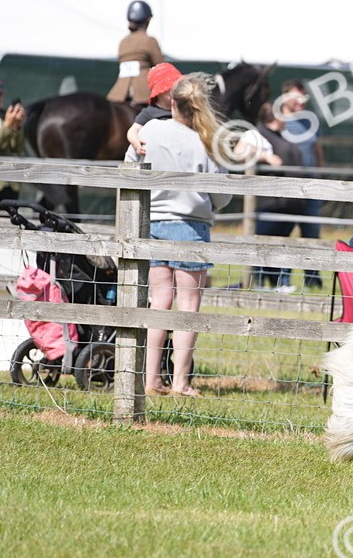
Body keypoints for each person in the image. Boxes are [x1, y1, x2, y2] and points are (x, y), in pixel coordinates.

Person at [125, 73, 230, 397]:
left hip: (153, 224)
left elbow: (130, 165)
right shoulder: (206, 140)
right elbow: (223, 195)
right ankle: (181, 382)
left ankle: (150, 378)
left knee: (160, 302)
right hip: (191, 228)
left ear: (171, 101)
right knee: (188, 306)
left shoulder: (150, 130)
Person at [241, 102, 303, 290]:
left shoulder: (282, 136)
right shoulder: (256, 134)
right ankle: (258, 282)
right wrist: (265, 157)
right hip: (270, 202)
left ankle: (280, 282)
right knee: (263, 242)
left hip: (289, 202)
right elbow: (240, 150)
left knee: (282, 243)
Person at [276, 80, 324, 289]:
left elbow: (318, 151)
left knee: (311, 235)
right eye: (296, 96)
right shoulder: (277, 121)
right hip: (287, 190)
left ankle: (312, 280)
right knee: (284, 234)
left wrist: (321, 179)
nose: (301, 101)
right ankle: (283, 280)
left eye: (304, 97)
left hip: (311, 189)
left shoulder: (311, 122)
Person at [107, 0, 164, 104]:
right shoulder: (149, 40)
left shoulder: (123, 42)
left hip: (120, 91)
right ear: (147, 21)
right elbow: (161, 67)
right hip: (143, 91)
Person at [126, 62, 183, 156]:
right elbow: (133, 130)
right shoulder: (150, 112)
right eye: (170, 88)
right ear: (159, 92)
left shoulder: (183, 108)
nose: (176, 91)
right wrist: (136, 143)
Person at [0, 78, 26, 206]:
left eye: (0, 95)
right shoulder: (5, 120)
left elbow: (17, 148)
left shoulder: (2, 117)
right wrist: (8, 125)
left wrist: (16, 126)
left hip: (9, 183)